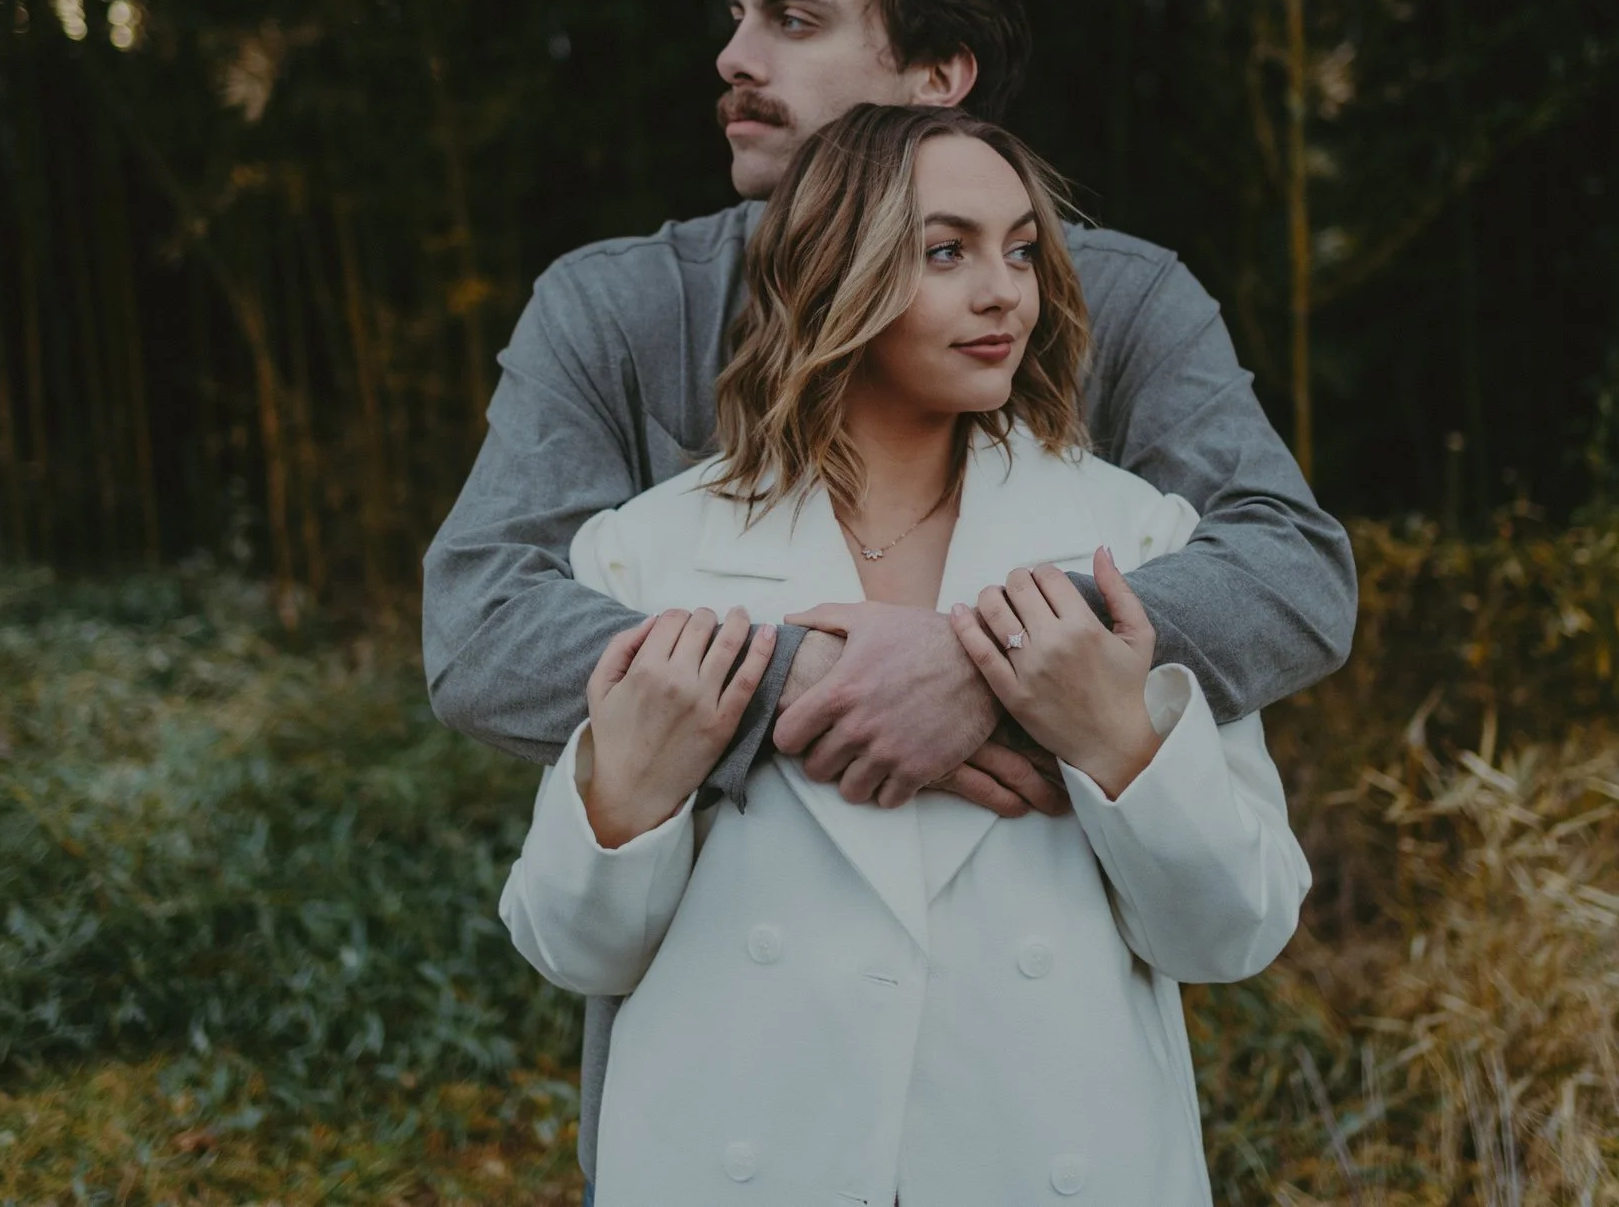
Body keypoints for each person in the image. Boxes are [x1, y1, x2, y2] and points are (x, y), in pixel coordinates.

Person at [421, 0, 1357, 1182]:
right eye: (737, 15)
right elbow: (486, 626)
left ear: (938, 80)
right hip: (737, 1104)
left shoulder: (1129, 306)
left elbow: (1289, 575)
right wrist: (815, 674)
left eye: (793, 21)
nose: (735, 57)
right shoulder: (618, 311)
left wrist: (992, 665)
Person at [498, 106, 1313, 1204]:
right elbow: (573, 952)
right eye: (948, 250)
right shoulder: (649, 553)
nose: (1003, 291)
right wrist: (628, 798)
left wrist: (1117, 741)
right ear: (833, 270)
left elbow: (1233, 932)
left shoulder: (1136, 542)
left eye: (1020, 248)